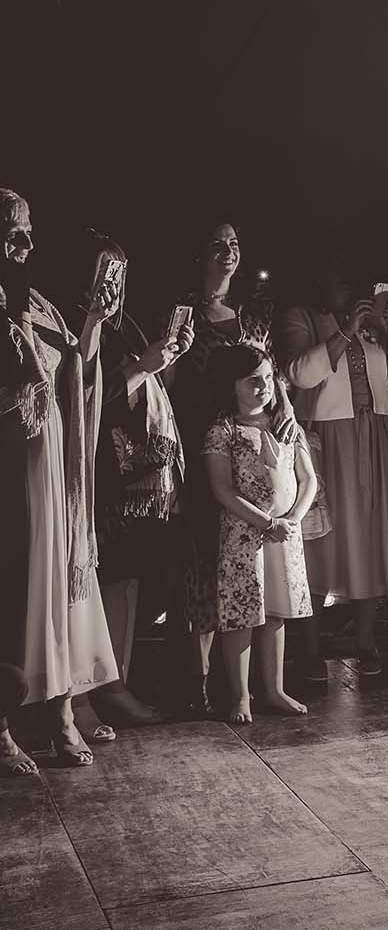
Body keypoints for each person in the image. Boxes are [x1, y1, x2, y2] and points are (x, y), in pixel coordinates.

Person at [0, 187, 119, 769]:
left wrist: (94, 320)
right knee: (12, 590)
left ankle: (61, 712)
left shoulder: (39, 302)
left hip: (53, 472)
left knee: (53, 589)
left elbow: (78, 368)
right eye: (11, 230)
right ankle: (4, 728)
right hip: (9, 467)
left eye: (27, 232)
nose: (24, 243)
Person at [164, 220, 291, 716]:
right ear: (200, 255)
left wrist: (289, 418)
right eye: (217, 244)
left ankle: (250, 685)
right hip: (200, 448)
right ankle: (194, 684)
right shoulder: (183, 311)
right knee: (202, 565)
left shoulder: (252, 317)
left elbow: (272, 375)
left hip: (249, 448)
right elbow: (167, 377)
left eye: (235, 244)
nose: (228, 252)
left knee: (250, 564)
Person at [277, 264, 388, 678]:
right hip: (329, 438)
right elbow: (298, 373)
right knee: (321, 540)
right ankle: (309, 648)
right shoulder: (303, 318)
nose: (347, 283)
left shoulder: (372, 324)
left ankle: (365, 641)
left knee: (370, 535)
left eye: (350, 277)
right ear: (319, 280)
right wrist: (347, 329)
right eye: (338, 276)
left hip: (377, 433)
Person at [68, 231, 193, 728]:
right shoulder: (71, 320)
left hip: (138, 479)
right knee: (99, 578)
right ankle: (90, 689)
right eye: (106, 271)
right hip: (97, 472)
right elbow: (82, 395)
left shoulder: (128, 325)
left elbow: (154, 392)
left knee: (128, 577)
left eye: (120, 272)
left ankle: (117, 679)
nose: (113, 283)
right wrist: (142, 367)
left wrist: (165, 359)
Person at [199, 344, 315, 724]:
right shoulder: (224, 430)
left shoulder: (286, 425)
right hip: (244, 534)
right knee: (243, 614)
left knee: (275, 613)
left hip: (285, 533)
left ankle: (275, 688)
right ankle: (241, 695)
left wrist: (293, 519)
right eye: (253, 380)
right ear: (231, 385)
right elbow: (222, 489)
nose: (263, 386)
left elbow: (309, 479)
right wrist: (267, 523)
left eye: (267, 378)